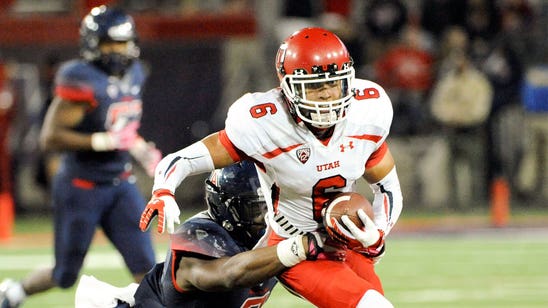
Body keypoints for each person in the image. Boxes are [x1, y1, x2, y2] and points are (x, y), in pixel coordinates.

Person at [140, 27, 403, 307]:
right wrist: (164, 190)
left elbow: (388, 189)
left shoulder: (368, 111)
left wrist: (376, 234)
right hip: (297, 244)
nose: (326, 95)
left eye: (333, 84)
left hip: (342, 238)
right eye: (314, 86)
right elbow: (184, 159)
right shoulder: (265, 123)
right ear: (287, 88)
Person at [0, 6, 161, 307]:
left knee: (148, 273)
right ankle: (12, 293)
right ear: (92, 43)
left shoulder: (135, 72)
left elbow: (122, 125)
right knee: (65, 274)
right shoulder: (80, 77)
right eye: (110, 44)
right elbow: (50, 137)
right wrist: (102, 140)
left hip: (120, 184)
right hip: (81, 188)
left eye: (122, 43)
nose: (118, 51)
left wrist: (137, 146)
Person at [74, 161, 333, 307]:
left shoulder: (275, 231)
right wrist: (299, 247)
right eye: (257, 208)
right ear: (227, 206)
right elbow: (230, 274)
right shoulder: (198, 235)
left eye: (271, 205)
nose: (267, 217)